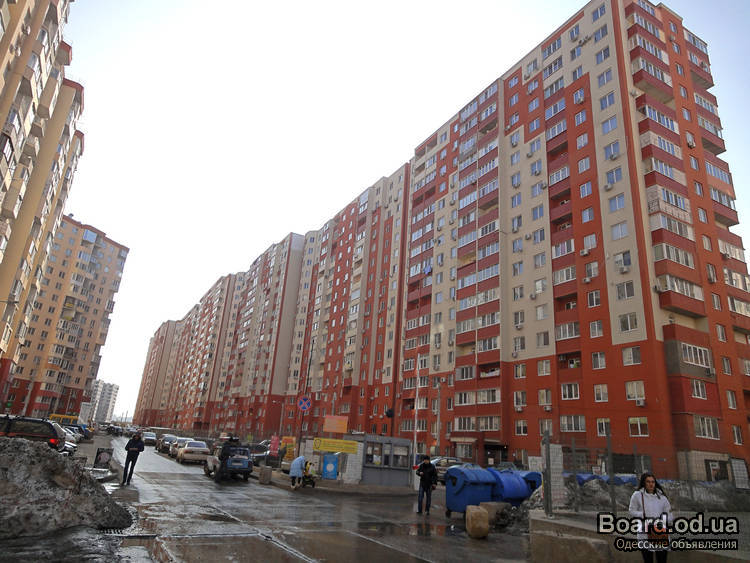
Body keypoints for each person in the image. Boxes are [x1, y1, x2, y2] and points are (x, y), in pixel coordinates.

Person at [628, 472, 672, 563]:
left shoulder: (662, 497)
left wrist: (663, 520)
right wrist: (642, 514)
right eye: (648, 482)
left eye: (653, 482)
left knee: (662, 559)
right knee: (648, 559)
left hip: (660, 533)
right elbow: (631, 511)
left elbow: (669, 514)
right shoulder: (637, 495)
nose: (651, 484)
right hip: (644, 533)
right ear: (644, 483)